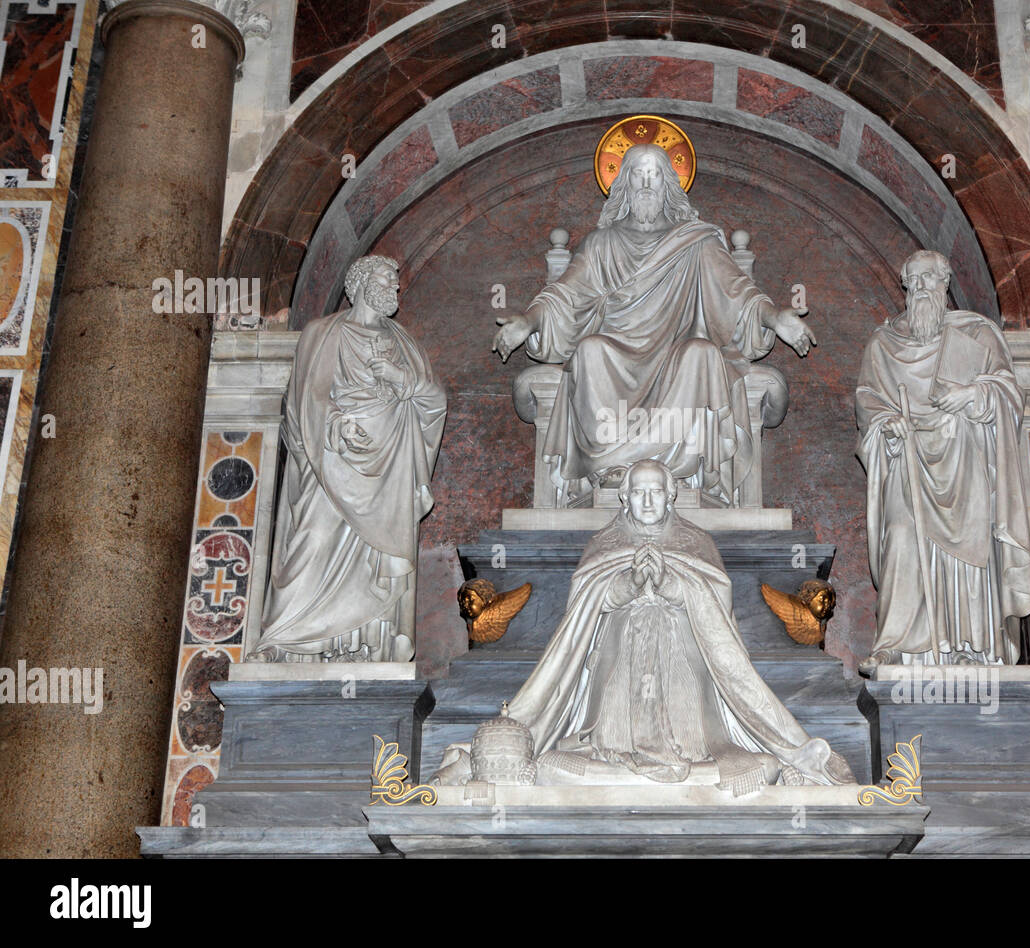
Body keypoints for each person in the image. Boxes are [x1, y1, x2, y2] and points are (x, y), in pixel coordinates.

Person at [436, 459, 855, 791]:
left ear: (672, 496)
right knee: (558, 755)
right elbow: (582, 611)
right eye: (639, 492)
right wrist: (624, 586)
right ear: (625, 499)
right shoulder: (605, 544)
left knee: (755, 760)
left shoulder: (697, 543)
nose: (648, 501)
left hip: (686, 664)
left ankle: (691, 759)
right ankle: (613, 756)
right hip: (617, 664)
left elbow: (717, 614)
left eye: (656, 492)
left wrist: (675, 587)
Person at [491, 144, 815, 507]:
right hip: (614, 351)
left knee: (702, 354)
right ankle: (610, 467)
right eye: (638, 173)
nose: (646, 182)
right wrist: (529, 321)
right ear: (624, 182)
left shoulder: (696, 242)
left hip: (677, 352)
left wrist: (775, 317)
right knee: (589, 351)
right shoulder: (601, 244)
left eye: (655, 173)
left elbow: (737, 293)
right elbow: (564, 297)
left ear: (669, 183)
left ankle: (682, 470)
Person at [254, 255, 446, 662]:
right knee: (314, 538)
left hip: (389, 469)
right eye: (384, 278)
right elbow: (305, 397)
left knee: (375, 559)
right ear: (357, 282)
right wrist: (335, 424)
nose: (394, 287)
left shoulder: (405, 344)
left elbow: (433, 400)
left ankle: (364, 645)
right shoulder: (321, 333)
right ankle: (287, 636)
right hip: (331, 459)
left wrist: (402, 381)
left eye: (396, 281)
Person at [855, 250, 1030, 667]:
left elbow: (1009, 393)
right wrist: (887, 424)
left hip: (966, 461)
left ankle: (971, 648)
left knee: (971, 547)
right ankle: (897, 645)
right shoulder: (883, 346)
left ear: (946, 284)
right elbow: (867, 401)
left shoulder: (976, 335)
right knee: (901, 534)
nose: (921, 288)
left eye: (930, 280)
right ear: (904, 287)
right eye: (914, 281)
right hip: (908, 460)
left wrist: (971, 395)